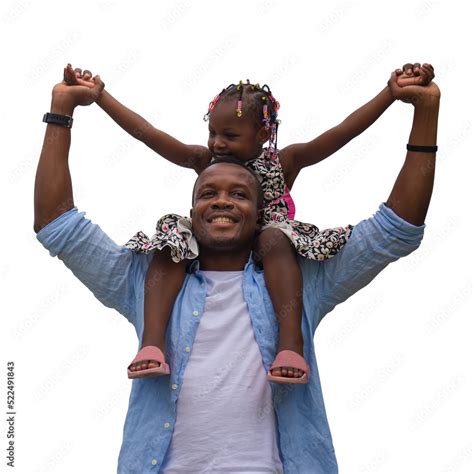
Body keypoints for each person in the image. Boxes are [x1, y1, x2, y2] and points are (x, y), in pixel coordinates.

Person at [34, 64, 440, 472]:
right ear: (191, 210)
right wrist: (63, 110)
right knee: (167, 249)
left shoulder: (299, 282)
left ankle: (290, 348)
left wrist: (421, 111)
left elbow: (395, 229)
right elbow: (58, 225)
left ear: (261, 207)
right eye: (208, 192)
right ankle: (152, 345)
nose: (223, 200)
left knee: (278, 245)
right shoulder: (149, 278)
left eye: (240, 194)